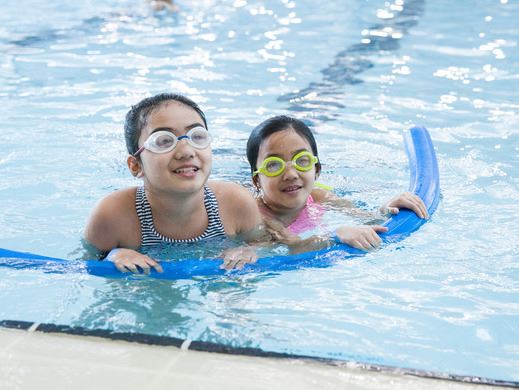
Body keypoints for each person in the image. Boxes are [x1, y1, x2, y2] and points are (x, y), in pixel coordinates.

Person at [84, 93, 264, 273]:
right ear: (136, 166)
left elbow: (263, 244)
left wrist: (248, 251)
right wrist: (112, 255)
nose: (186, 151)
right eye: (163, 141)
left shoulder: (235, 203)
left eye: (197, 136)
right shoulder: (113, 216)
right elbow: (86, 264)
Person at [246, 115, 429, 251]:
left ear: (316, 170)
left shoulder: (319, 197)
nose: (291, 174)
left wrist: (387, 209)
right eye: (273, 165)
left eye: (302, 161)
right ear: (257, 181)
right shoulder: (256, 217)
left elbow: (368, 219)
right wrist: (336, 235)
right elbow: (294, 248)